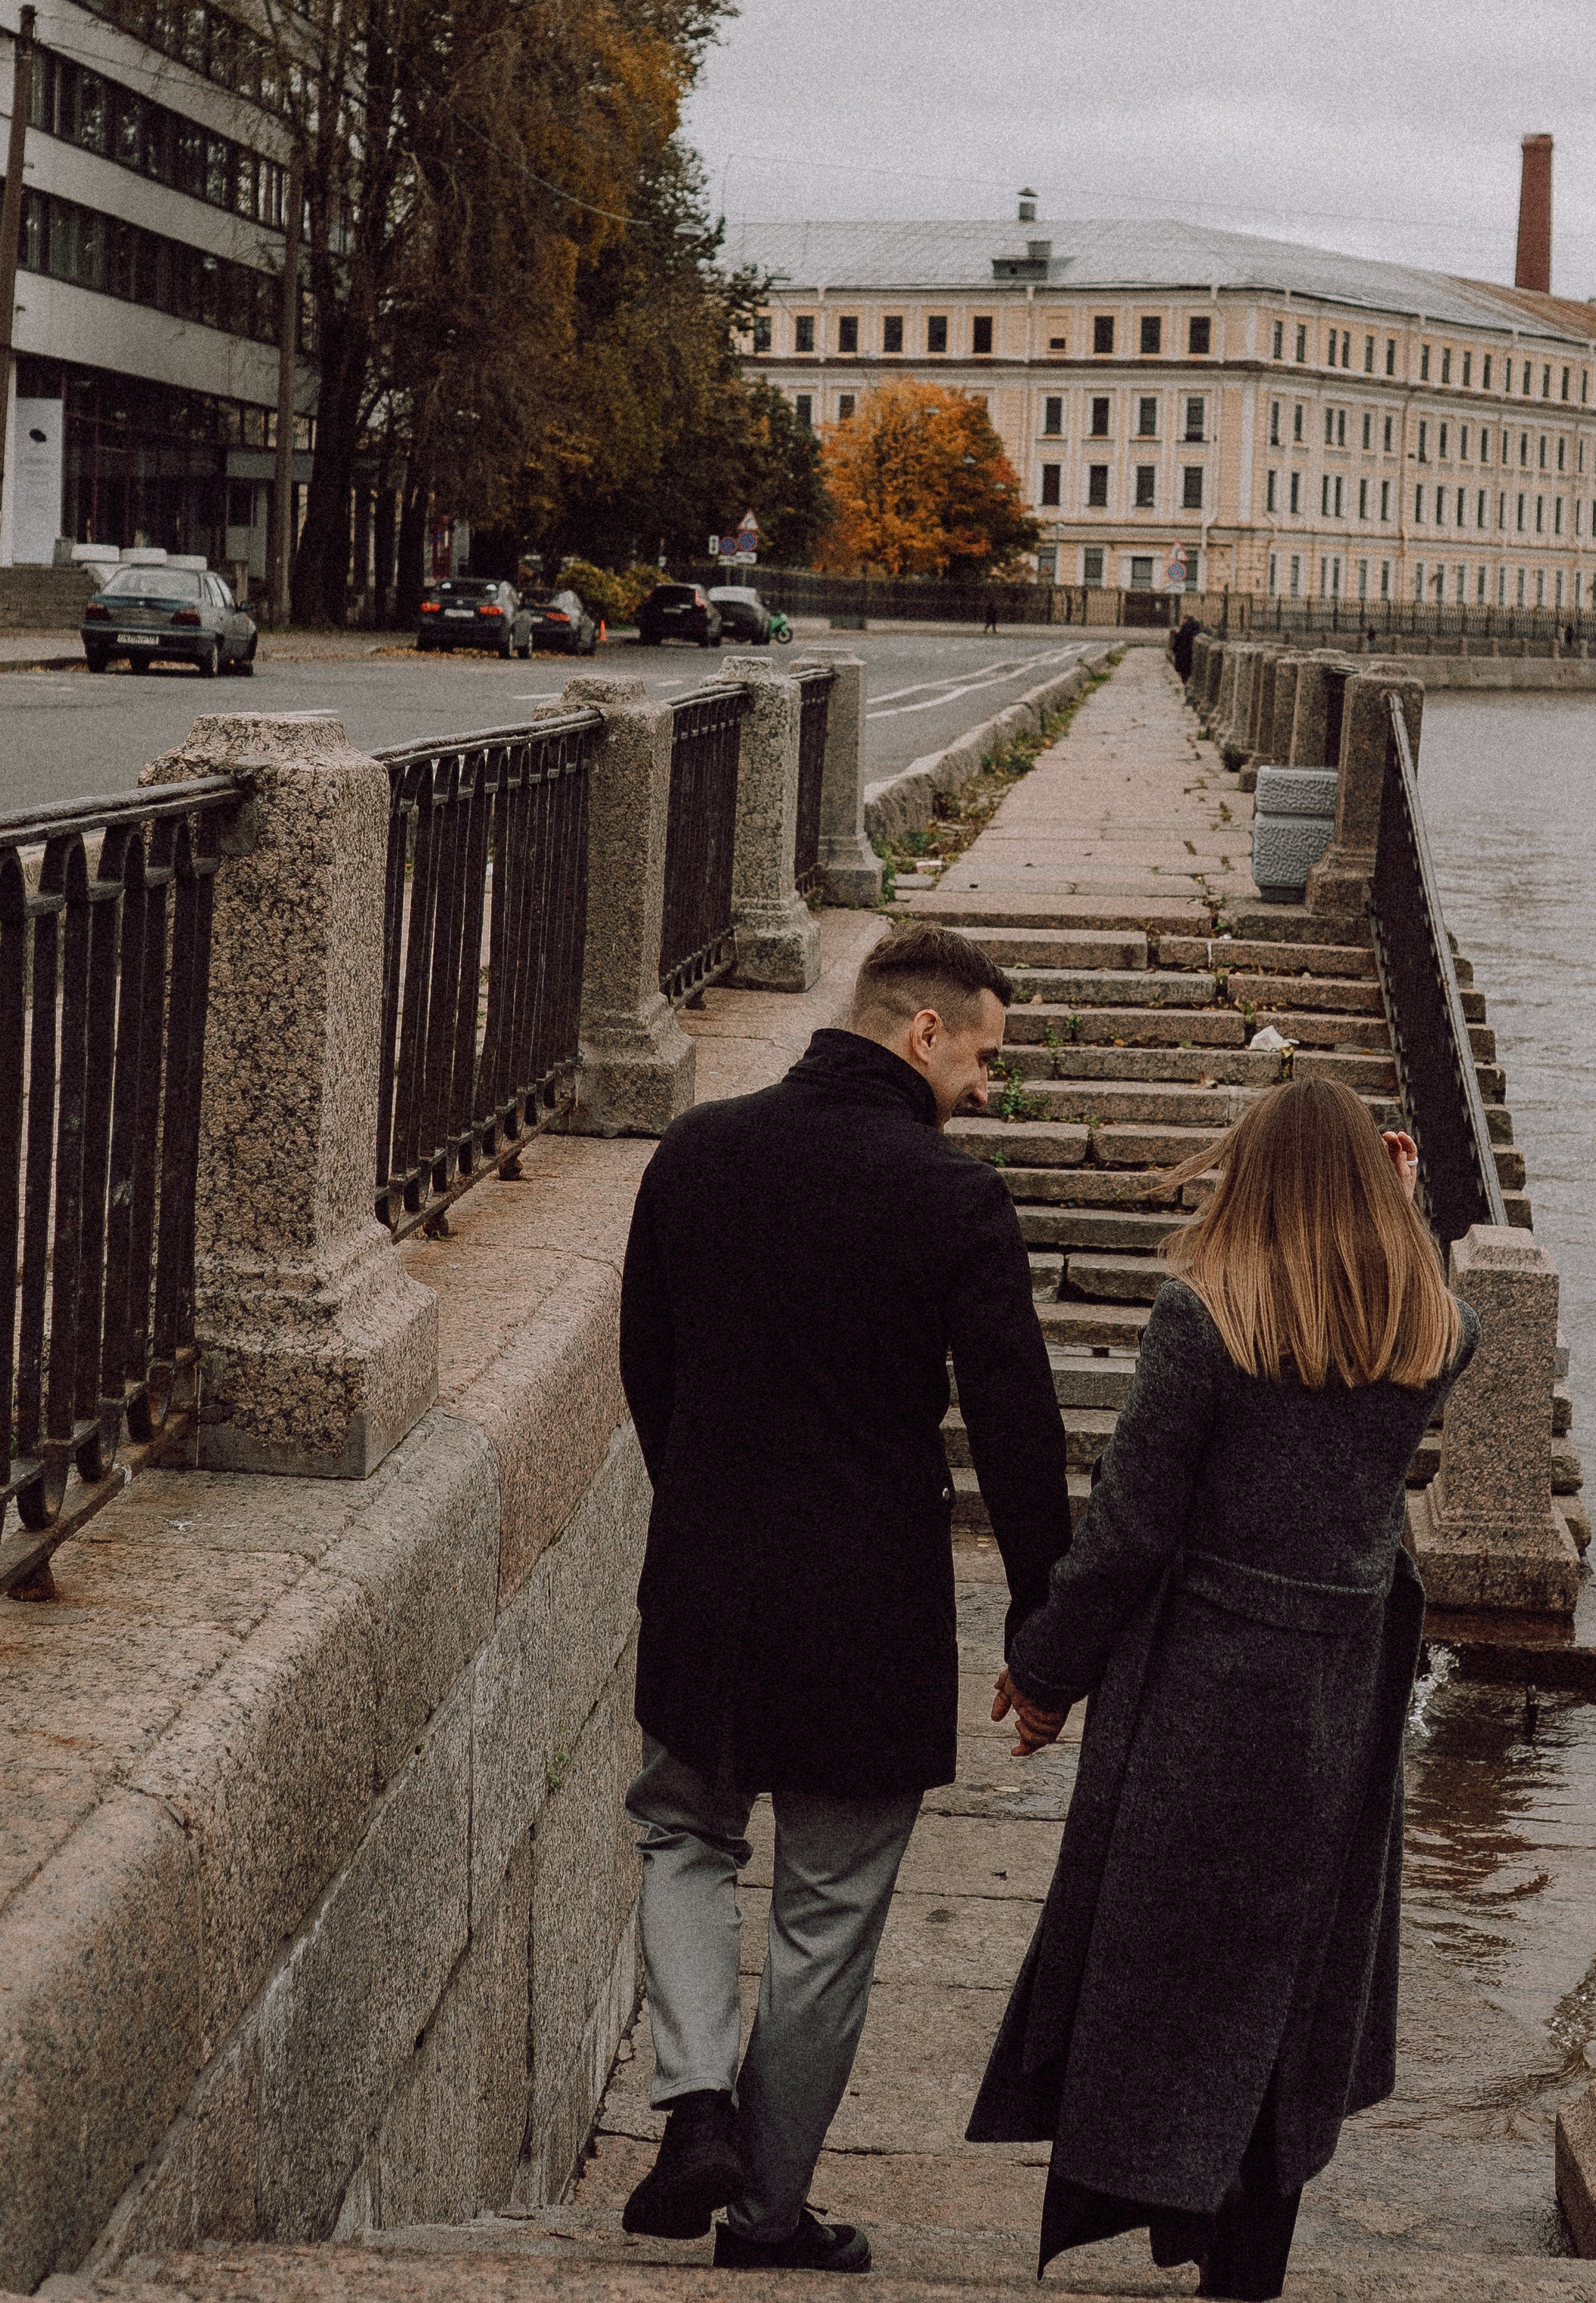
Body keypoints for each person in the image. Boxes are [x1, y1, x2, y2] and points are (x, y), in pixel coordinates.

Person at [967, 1077, 1479, 2300]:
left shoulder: (1204, 1319)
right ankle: (1243, 2261)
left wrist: (1043, 1674)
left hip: (1205, 1686)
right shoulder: (1435, 1331)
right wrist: (1401, 1219)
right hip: (1339, 1701)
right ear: (1374, 1182)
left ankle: (1166, 2196)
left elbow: (1133, 1527)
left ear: (1248, 1173)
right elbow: (1407, 1313)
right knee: (1293, 1974)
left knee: (1164, 1970)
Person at [618, 923, 1075, 2273]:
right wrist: (1042, 1635)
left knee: (680, 1834)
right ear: (921, 1031)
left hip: (707, 1579)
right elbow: (1017, 1432)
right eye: (984, 1056)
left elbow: (650, 1363)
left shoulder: (699, 1150)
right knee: (827, 1915)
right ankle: (764, 2219)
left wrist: (700, 1501)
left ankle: (695, 2097)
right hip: (869, 1608)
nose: (988, 1087)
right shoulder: (953, 1199)